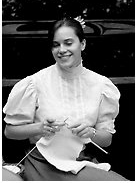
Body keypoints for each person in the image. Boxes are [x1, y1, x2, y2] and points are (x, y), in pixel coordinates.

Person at [3, 17, 128, 181]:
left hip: (82, 162)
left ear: (82, 44)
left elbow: (107, 140)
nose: (61, 49)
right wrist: (40, 128)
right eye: (56, 44)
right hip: (43, 163)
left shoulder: (102, 86)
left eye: (68, 43)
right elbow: (9, 132)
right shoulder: (34, 83)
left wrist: (91, 132)